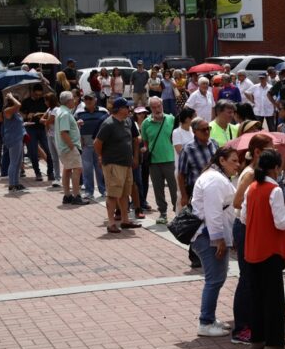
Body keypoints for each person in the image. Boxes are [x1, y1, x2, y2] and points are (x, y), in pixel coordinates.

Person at [240, 149, 285, 349]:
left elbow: (244, 217)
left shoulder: (252, 187)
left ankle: (257, 339)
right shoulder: (275, 190)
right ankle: (274, 343)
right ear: (275, 168)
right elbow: (281, 223)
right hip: (270, 250)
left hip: (253, 248)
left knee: (257, 296)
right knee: (273, 299)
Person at [230, 133, 274, 345]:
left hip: (255, 228)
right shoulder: (249, 174)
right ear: (257, 152)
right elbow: (237, 202)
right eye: (269, 149)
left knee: (255, 278)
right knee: (247, 278)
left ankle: (254, 323)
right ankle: (240, 328)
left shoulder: (263, 172)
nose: (274, 153)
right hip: (245, 227)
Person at [192, 147, 240, 337]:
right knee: (214, 280)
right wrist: (218, 239)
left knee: (216, 279)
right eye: (234, 161)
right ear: (222, 160)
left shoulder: (216, 177)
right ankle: (205, 322)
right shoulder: (214, 179)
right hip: (208, 237)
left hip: (209, 235)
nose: (237, 164)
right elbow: (213, 213)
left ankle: (209, 318)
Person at [93, 98, 142, 233]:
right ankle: (111, 223)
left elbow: (133, 139)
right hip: (113, 164)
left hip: (126, 164)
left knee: (125, 193)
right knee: (113, 193)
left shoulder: (127, 121)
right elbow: (97, 143)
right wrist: (101, 156)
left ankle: (125, 220)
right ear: (119, 109)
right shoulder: (108, 124)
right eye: (127, 107)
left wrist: (133, 157)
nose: (129, 110)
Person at [177, 117, 219, 268]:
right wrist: (184, 195)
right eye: (203, 130)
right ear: (194, 132)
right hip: (196, 192)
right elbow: (181, 174)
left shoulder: (214, 144)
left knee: (212, 220)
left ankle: (212, 249)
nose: (207, 132)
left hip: (214, 191)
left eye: (208, 128)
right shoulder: (188, 149)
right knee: (197, 223)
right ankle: (194, 255)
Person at [142, 96, 178, 224]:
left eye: (159, 106)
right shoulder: (146, 123)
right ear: (150, 108)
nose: (157, 109)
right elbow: (145, 142)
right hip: (154, 162)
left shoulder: (171, 119)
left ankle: (177, 212)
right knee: (158, 189)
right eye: (154, 107)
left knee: (174, 188)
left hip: (170, 159)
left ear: (162, 106)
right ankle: (163, 213)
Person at [55, 91, 88, 205]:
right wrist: (72, 146)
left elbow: (65, 129)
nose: (74, 100)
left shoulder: (61, 111)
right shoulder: (65, 114)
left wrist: (75, 125)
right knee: (77, 169)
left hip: (64, 147)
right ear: (69, 101)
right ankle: (76, 196)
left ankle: (67, 195)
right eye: (73, 98)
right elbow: (64, 133)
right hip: (69, 147)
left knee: (67, 169)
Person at [76, 92, 108, 199]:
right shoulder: (79, 112)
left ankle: (103, 190)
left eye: (90, 99)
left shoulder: (103, 111)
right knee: (87, 168)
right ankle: (89, 191)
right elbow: (74, 128)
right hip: (85, 144)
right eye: (86, 99)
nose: (88, 101)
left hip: (100, 144)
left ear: (95, 100)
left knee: (100, 168)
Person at [20, 84, 54, 182]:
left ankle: (50, 172)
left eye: (40, 95)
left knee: (49, 150)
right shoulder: (26, 101)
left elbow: (49, 112)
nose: (38, 97)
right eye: (36, 95)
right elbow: (21, 113)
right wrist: (27, 115)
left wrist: (41, 114)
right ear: (32, 93)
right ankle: (37, 172)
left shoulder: (44, 101)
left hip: (43, 128)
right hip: (30, 128)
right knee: (33, 152)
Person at [0, 93, 27, 192]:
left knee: (18, 162)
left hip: (19, 137)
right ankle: (11, 184)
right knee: (14, 162)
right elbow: (18, 105)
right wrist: (11, 97)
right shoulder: (7, 110)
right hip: (13, 138)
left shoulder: (15, 111)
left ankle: (16, 182)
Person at [41, 92, 61, 187]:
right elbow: (43, 119)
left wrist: (46, 121)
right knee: (54, 158)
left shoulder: (56, 109)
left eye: (46, 100)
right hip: (50, 135)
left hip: (57, 136)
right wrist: (46, 121)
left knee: (61, 156)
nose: (45, 102)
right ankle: (57, 177)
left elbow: (48, 121)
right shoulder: (49, 109)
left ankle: (65, 176)